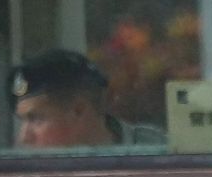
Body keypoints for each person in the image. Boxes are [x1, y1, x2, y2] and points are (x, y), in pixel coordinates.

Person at [10, 48, 161, 149]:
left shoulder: (158, 153)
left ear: (78, 111)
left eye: (36, 119)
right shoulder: (29, 176)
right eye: (22, 121)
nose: (24, 138)